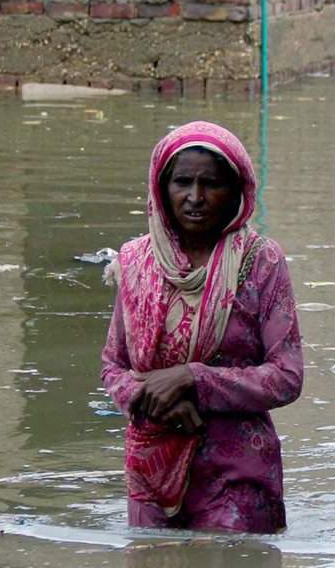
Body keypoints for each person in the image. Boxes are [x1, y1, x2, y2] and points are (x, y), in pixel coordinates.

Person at [101, 121, 303, 532]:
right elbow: (113, 367)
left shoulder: (261, 263)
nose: (195, 198)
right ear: (162, 189)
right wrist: (149, 396)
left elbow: (287, 376)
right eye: (182, 182)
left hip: (237, 477)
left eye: (211, 184)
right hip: (151, 469)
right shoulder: (136, 262)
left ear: (236, 192)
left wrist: (193, 379)